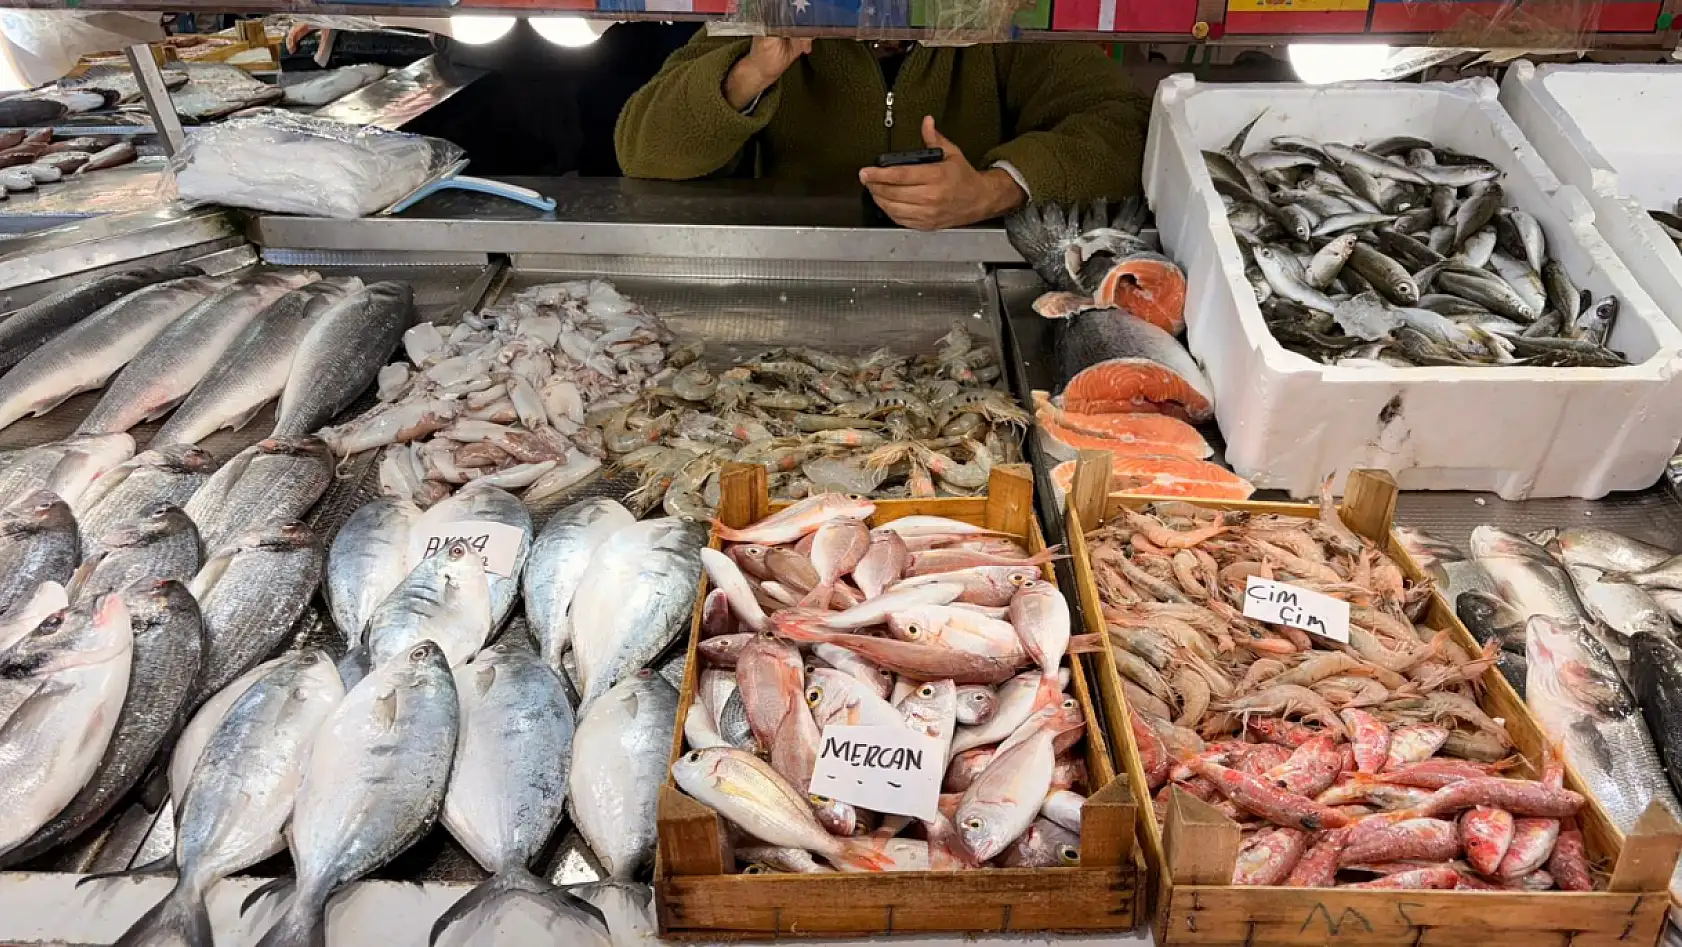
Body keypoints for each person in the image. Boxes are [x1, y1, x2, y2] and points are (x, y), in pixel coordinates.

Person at [615, 36, 1149, 230]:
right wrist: (749, 75)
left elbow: (1127, 126)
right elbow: (640, 151)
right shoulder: (774, 17)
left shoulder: (1001, 23)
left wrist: (993, 189)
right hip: (796, 271)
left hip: (975, 279)